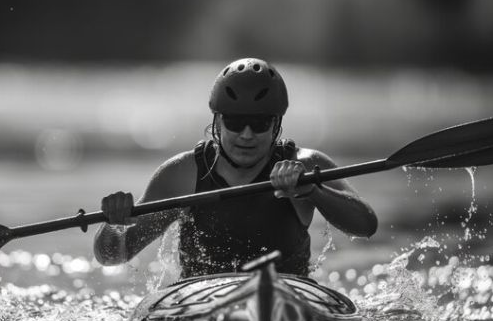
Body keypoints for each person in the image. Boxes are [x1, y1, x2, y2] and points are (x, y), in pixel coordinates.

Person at [93, 58, 377, 277]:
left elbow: (366, 226)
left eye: (260, 123)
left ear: (276, 125)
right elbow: (111, 256)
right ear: (217, 122)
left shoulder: (307, 165)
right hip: (200, 301)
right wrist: (114, 225)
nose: (247, 135)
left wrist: (313, 192)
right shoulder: (181, 175)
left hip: (288, 297)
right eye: (235, 122)